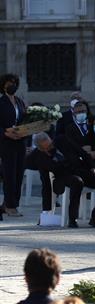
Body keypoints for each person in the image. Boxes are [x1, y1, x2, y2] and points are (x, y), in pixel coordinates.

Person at [33, 132, 95, 228]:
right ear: (41, 149)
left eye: (51, 145)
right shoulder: (40, 158)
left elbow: (82, 153)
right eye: (47, 148)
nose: (51, 148)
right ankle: (72, 219)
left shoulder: (62, 140)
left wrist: (93, 167)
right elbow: (46, 183)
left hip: (79, 170)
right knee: (77, 182)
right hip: (63, 176)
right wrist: (45, 211)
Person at [0, 73, 26, 217]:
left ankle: (11, 203)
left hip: (20, 142)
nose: (12, 85)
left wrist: (25, 131)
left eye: (14, 82)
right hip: (6, 142)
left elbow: (24, 120)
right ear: (3, 85)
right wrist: (5, 132)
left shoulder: (20, 101)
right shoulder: (1, 102)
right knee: (9, 175)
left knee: (19, 174)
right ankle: (10, 206)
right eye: (9, 82)